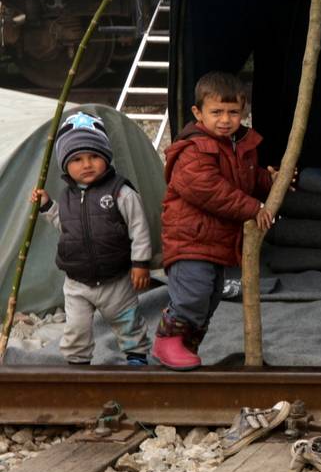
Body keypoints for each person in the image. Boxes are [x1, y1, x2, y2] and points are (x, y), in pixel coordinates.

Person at [152, 71, 276, 370]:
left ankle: (186, 347)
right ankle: (166, 341)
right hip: (191, 239)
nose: (225, 119)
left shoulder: (238, 145)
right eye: (216, 112)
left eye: (233, 112)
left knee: (209, 299)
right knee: (192, 295)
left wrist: (267, 180)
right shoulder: (194, 149)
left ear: (244, 111)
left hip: (216, 242)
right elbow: (209, 189)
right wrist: (253, 207)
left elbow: (242, 180)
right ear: (198, 113)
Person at [28, 112, 152, 366]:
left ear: (106, 158)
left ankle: (136, 358)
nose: (86, 164)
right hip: (77, 283)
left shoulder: (121, 192)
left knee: (127, 322)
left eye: (94, 156)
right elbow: (67, 226)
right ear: (65, 165)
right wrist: (47, 206)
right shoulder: (68, 196)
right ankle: (77, 364)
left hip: (115, 278)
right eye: (76, 159)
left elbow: (139, 228)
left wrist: (141, 263)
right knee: (76, 329)